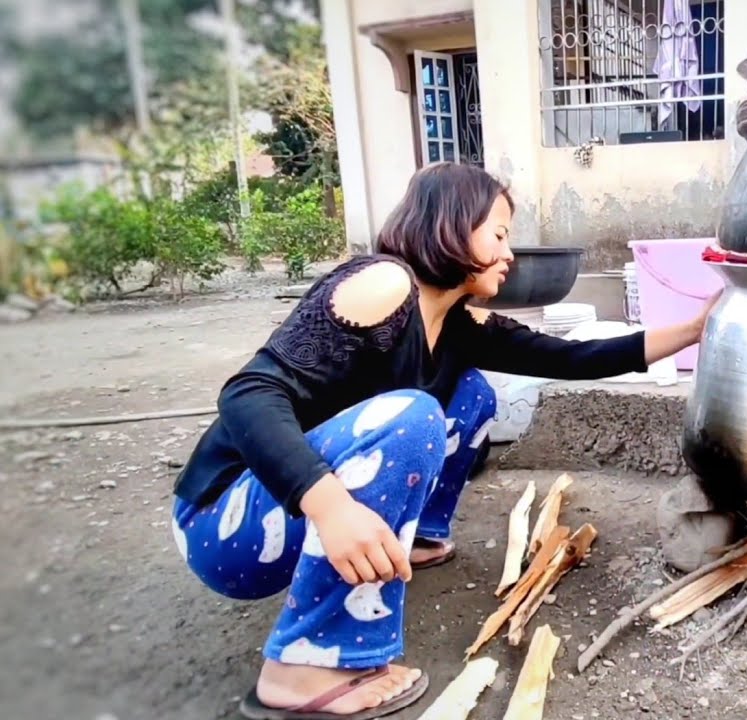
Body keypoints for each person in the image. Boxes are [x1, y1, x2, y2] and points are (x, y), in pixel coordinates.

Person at [169, 162, 715, 719]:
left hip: (289, 516)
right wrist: (331, 507)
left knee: (471, 393)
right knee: (413, 416)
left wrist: (697, 328)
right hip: (226, 526)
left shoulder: (454, 322)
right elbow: (247, 395)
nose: (509, 254)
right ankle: (303, 669)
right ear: (451, 225)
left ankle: (416, 539)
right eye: (499, 235)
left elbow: (572, 357)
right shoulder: (384, 284)